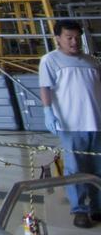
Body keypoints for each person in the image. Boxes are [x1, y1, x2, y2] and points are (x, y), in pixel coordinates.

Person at [40, 19, 101, 228]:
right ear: (58, 38)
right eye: (69, 38)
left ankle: (98, 207)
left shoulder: (92, 61)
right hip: (71, 125)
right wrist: (48, 111)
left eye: (77, 37)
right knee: (76, 169)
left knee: (98, 169)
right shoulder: (50, 61)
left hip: (96, 124)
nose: (74, 42)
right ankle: (80, 210)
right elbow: (45, 88)